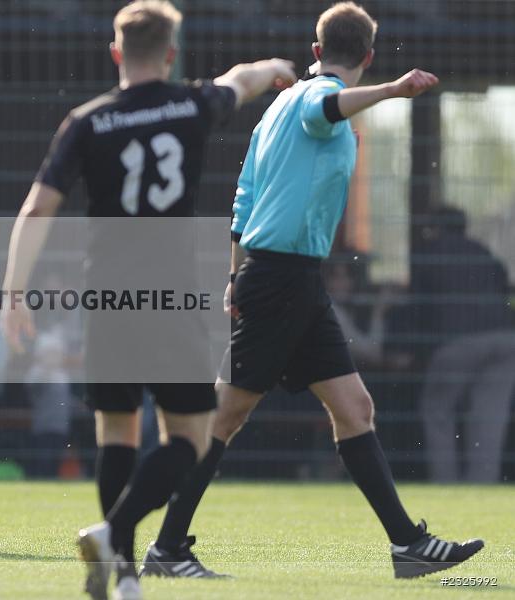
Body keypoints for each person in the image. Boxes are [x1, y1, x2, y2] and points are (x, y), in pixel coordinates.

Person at [140, 1, 483, 582]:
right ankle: (165, 546)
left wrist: (231, 276)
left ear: (317, 47)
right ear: (368, 57)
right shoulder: (311, 101)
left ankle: (406, 545)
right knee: (225, 415)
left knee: (354, 409)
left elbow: (242, 204)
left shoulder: (273, 108)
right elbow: (328, 105)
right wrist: (394, 90)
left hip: (288, 278)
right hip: (281, 277)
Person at [0, 2, 297, 598]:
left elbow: (37, 208)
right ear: (170, 53)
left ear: (115, 53)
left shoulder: (85, 121)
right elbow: (241, 79)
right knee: (189, 435)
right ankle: (115, 537)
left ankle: (124, 575)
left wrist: (14, 289)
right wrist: (276, 67)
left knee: (116, 431)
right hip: (168, 294)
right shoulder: (191, 103)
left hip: (105, 295)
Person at [413, 207, 515, 482]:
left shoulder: (429, 254)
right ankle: (481, 486)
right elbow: (504, 288)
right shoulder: (483, 252)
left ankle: (446, 483)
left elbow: (419, 307)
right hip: (505, 337)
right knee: (489, 416)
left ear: (435, 228)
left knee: (438, 412)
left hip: (456, 340)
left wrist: (414, 351)